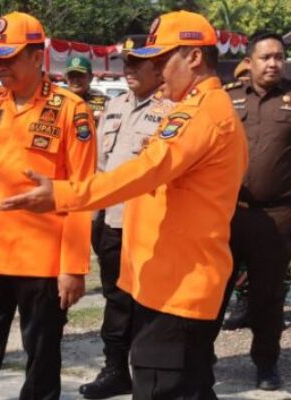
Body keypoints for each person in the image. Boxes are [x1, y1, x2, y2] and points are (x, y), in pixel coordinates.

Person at [0, 11, 248, 398]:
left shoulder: (204, 113)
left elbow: (147, 171)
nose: (159, 71)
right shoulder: (191, 108)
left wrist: (64, 195)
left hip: (178, 289)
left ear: (194, 57)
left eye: (164, 61)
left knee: (161, 385)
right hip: (165, 282)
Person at [0, 11, 97, 399]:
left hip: (42, 264)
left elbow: (82, 192)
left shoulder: (70, 111)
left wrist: (73, 267)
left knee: (42, 360)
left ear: (36, 55)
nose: (1, 65)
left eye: (10, 57)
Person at [223, 31, 291, 390]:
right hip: (227, 214)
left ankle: (266, 364)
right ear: (248, 62)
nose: (273, 63)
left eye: (279, 57)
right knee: (215, 288)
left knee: (268, 296)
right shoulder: (227, 99)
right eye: (265, 57)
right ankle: (201, 357)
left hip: (277, 217)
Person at [78, 39, 172, 400]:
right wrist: (95, 216)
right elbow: (100, 168)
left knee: (148, 302)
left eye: (136, 64)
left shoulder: (171, 111)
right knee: (116, 301)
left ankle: (151, 373)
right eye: (125, 63)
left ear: (158, 68)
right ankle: (116, 370)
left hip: (150, 226)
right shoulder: (114, 106)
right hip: (112, 223)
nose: (127, 70)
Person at [64, 55, 107, 123]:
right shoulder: (60, 98)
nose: (76, 80)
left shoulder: (98, 98)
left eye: (80, 75)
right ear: (66, 78)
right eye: (71, 76)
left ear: (91, 77)